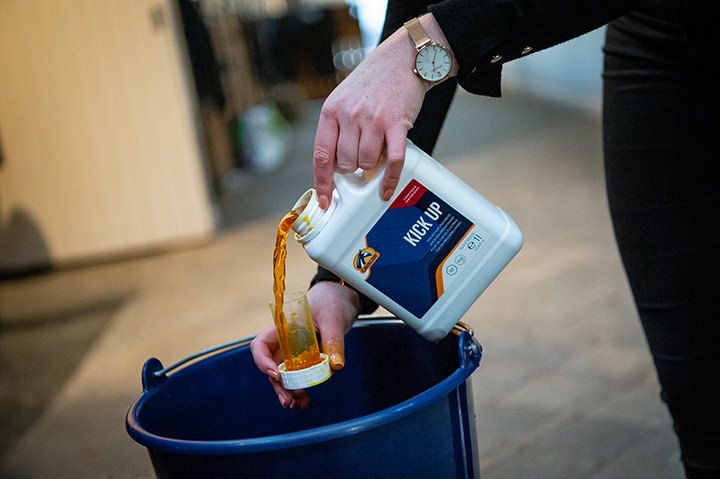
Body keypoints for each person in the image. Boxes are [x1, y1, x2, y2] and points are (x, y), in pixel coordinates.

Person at [252, 0, 719, 476]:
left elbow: (423, 40)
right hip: (652, 36)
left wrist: (433, 41)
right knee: (698, 389)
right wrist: (340, 283)